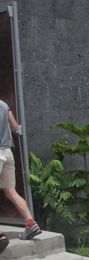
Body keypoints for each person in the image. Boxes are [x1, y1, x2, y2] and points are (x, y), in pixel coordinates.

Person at [0, 99, 42, 244]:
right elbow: (14, 126)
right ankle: (30, 224)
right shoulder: (4, 105)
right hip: (6, 152)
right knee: (11, 191)